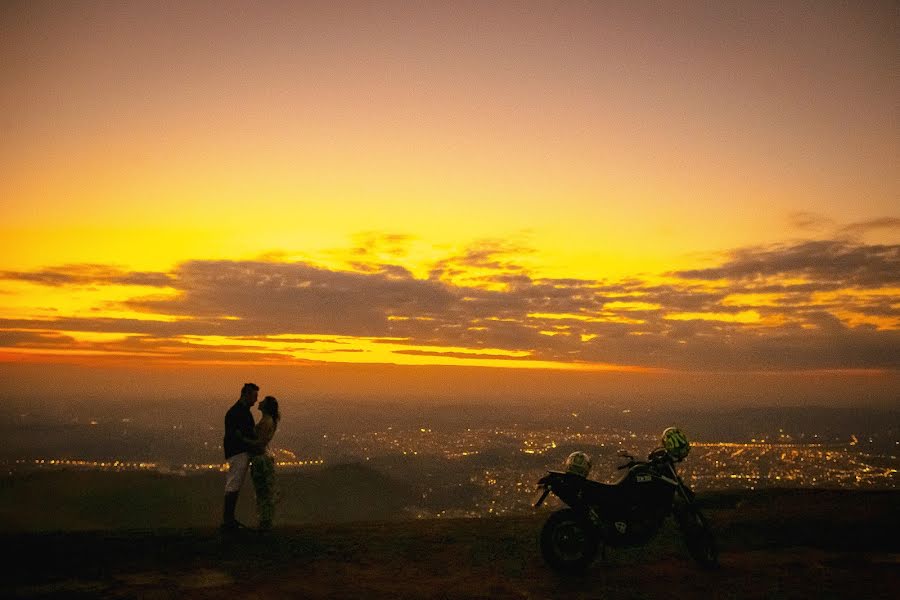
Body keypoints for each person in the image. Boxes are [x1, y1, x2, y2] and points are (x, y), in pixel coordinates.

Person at [221, 382, 259, 531]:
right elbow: (237, 436)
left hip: (238, 452)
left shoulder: (238, 412)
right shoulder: (238, 413)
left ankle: (229, 519)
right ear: (247, 395)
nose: (255, 400)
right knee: (233, 484)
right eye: (254, 396)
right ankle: (228, 520)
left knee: (234, 484)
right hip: (238, 453)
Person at [250, 395, 280, 531]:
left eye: (263, 401)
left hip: (261, 459)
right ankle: (266, 520)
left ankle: (265, 521)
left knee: (262, 491)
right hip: (263, 458)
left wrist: (243, 440)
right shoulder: (268, 421)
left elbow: (260, 442)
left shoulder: (265, 422)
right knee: (265, 491)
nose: (259, 402)